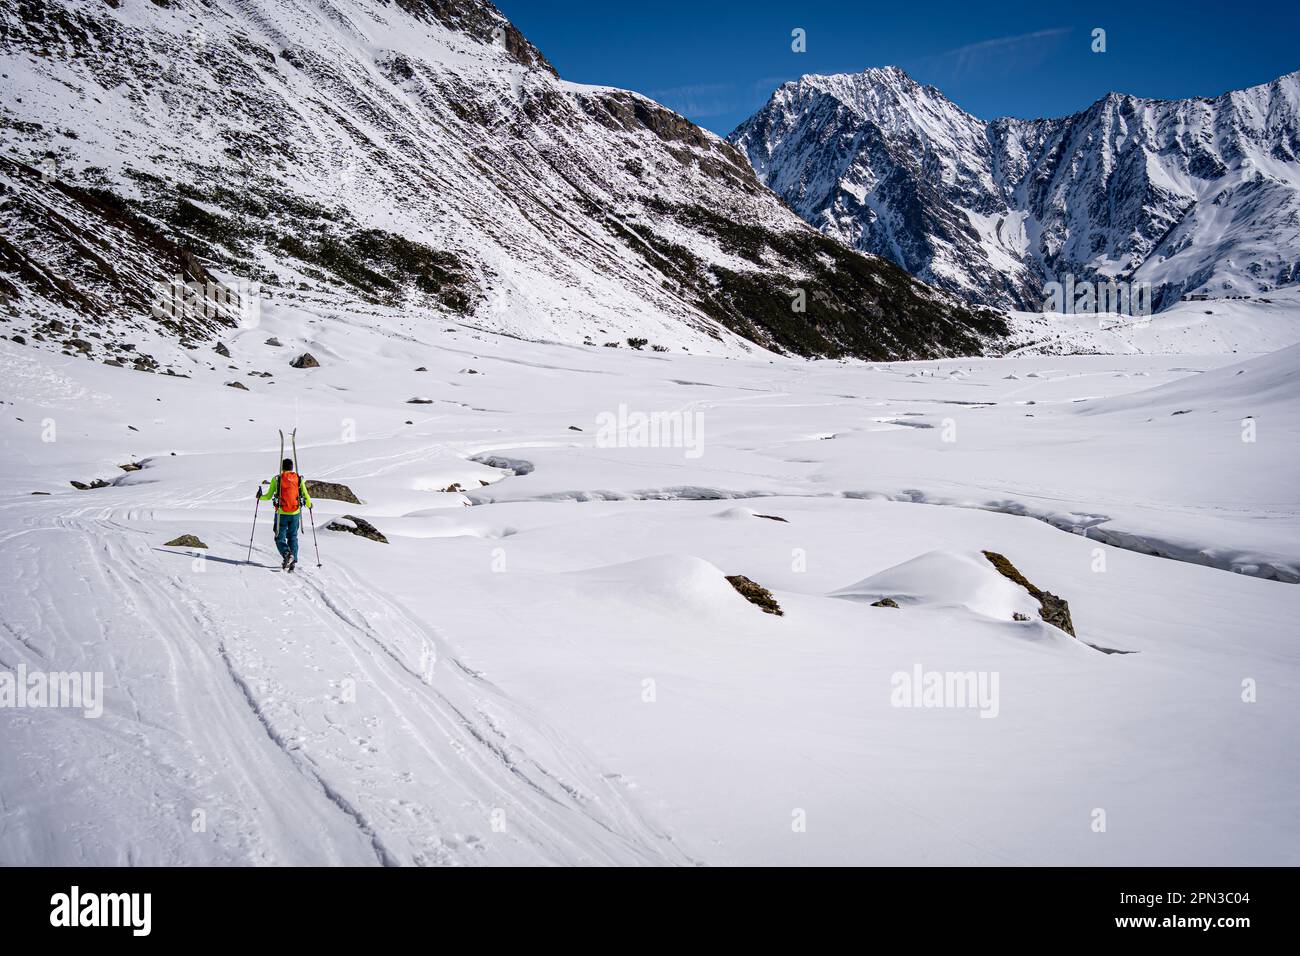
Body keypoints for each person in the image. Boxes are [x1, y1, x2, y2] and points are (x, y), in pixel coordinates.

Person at [258, 459, 312, 571]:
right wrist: (309, 504)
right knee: (292, 536)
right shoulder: (298, 478)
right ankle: (293, 560)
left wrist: (259, 497)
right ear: (292, 467)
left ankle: (287, 553)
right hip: (295, 513)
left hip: (281, 513)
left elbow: (268, 496)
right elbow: (305, 495)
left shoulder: (277, 479)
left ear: (282, 467)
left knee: (279, 537)